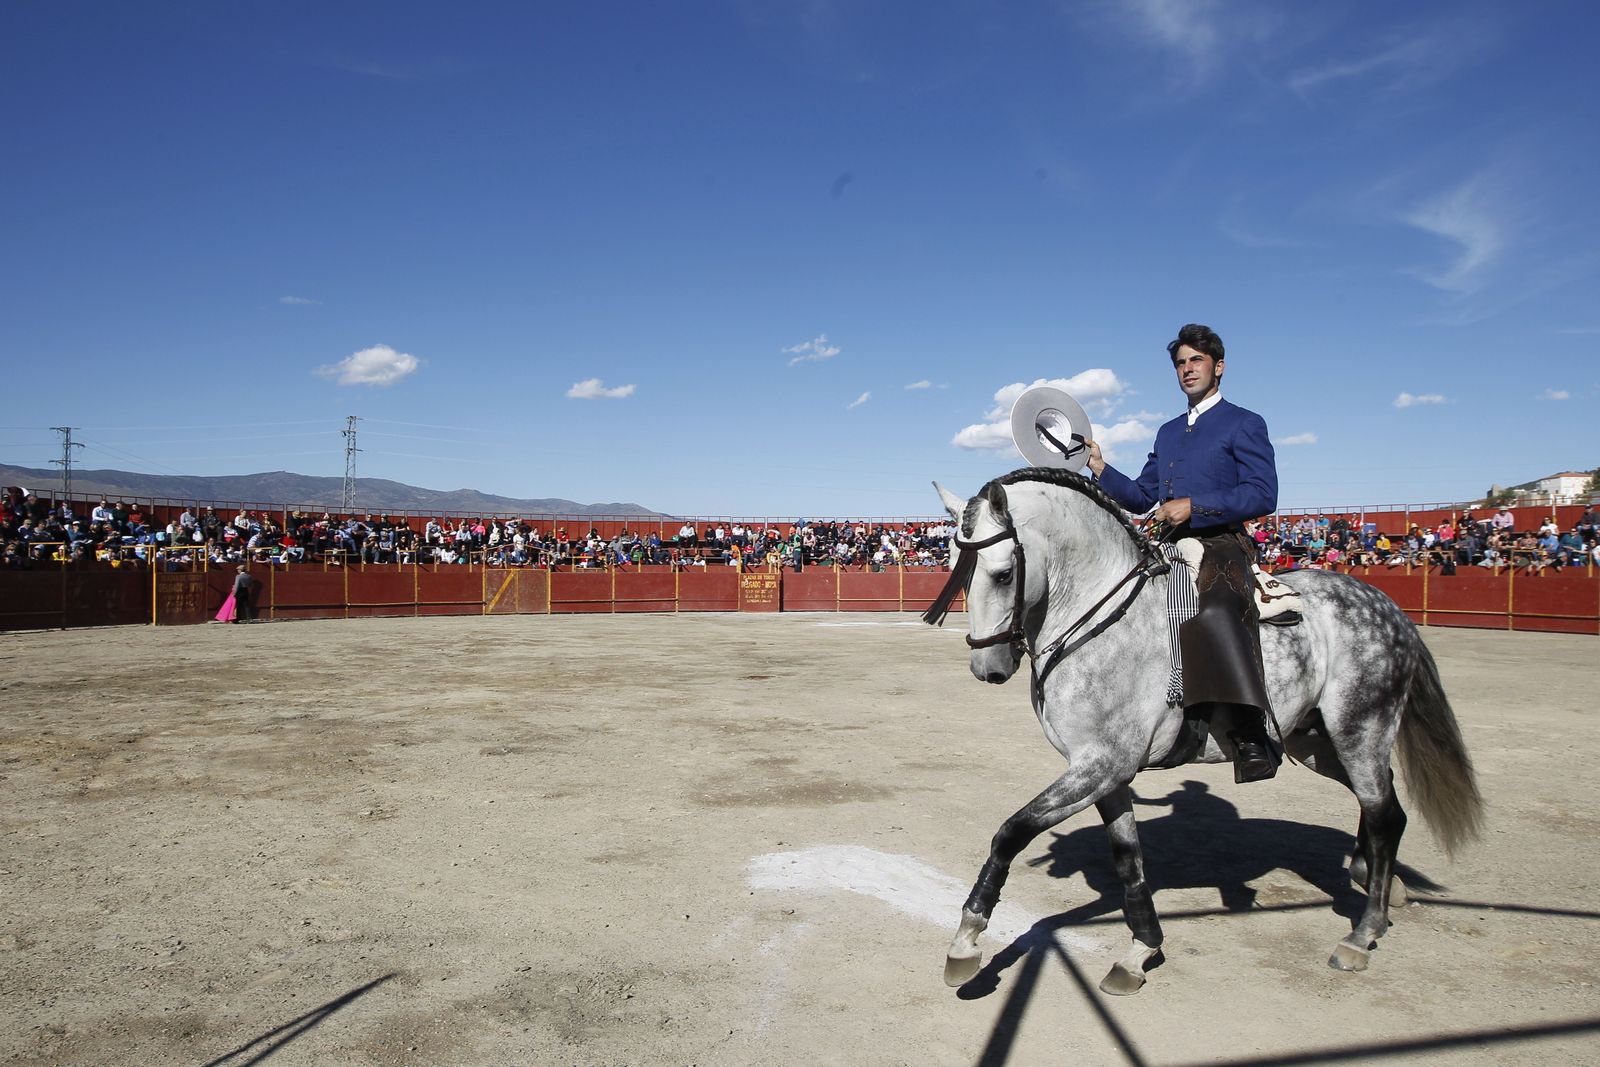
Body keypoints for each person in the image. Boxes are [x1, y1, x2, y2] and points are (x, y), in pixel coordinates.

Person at [1084, 323, 1281, 783]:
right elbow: (1139, 495)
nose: (1187, 369)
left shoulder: (1244, 422)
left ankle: (1249, 732)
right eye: (1180, 363)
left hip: (1219, 541)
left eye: (1196, 360)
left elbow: (1262, 493)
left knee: (1216, 608)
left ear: (1219, 367)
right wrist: (1099, 466)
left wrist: (1196, 506)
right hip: (1168, 542)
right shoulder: (1168, 432)